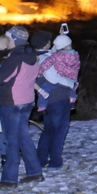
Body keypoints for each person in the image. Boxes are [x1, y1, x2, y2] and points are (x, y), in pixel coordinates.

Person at [0, 26, 43, 188]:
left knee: (11, 141)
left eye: (8, 38)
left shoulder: (14, 58)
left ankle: (9, 179)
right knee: (23, 137)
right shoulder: (32, 55)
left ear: (13, 39)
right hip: (27, 101)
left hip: (11, 102)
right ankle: (35, 172)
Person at [35, 34, 79, 170]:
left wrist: (61, 36)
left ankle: (41, 160)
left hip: (49, 98)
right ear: (45, 44)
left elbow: (56, 51)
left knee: (49, 130)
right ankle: (55, 161)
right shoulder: (45, 58)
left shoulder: (41, 56)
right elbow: (52, 77)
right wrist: (71, 84)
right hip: (58, 97)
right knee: (59, 130)